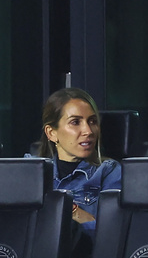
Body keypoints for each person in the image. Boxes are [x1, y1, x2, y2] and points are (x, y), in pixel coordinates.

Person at [38, 87, 121, 257]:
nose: (88, 131)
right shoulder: (31, 170)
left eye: (92, 121)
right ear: (51, 133)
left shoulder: (108, 171)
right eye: (76, 122)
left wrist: (68, 209)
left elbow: (112, 235)